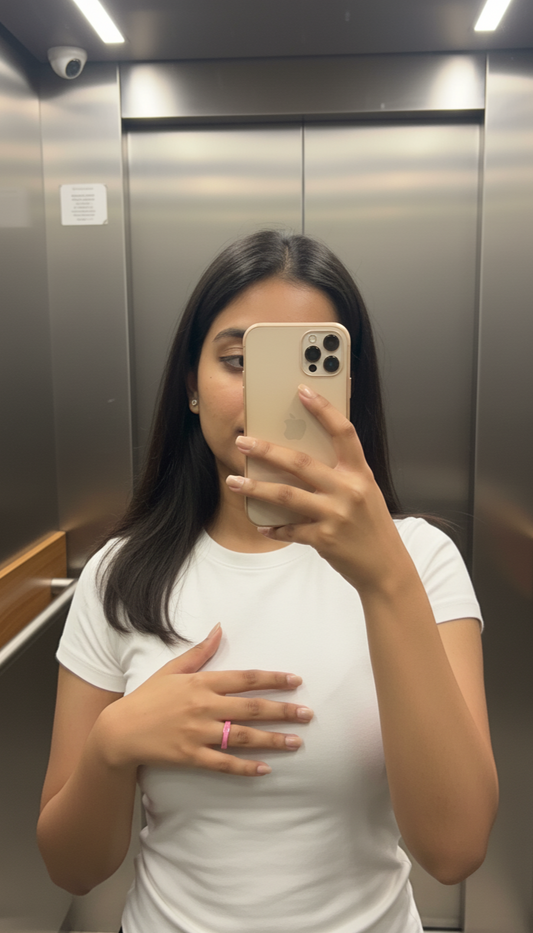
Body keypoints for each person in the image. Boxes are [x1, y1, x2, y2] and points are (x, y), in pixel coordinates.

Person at [37, 231, 498, 933]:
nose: (266, 392)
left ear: (349, 385)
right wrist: (112, 743)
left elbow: (454, 847)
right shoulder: (120, 575)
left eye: (306, 362)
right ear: (191, 387)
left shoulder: (420, 561)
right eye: (235, 360)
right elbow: (73, 868)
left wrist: (383, 578)